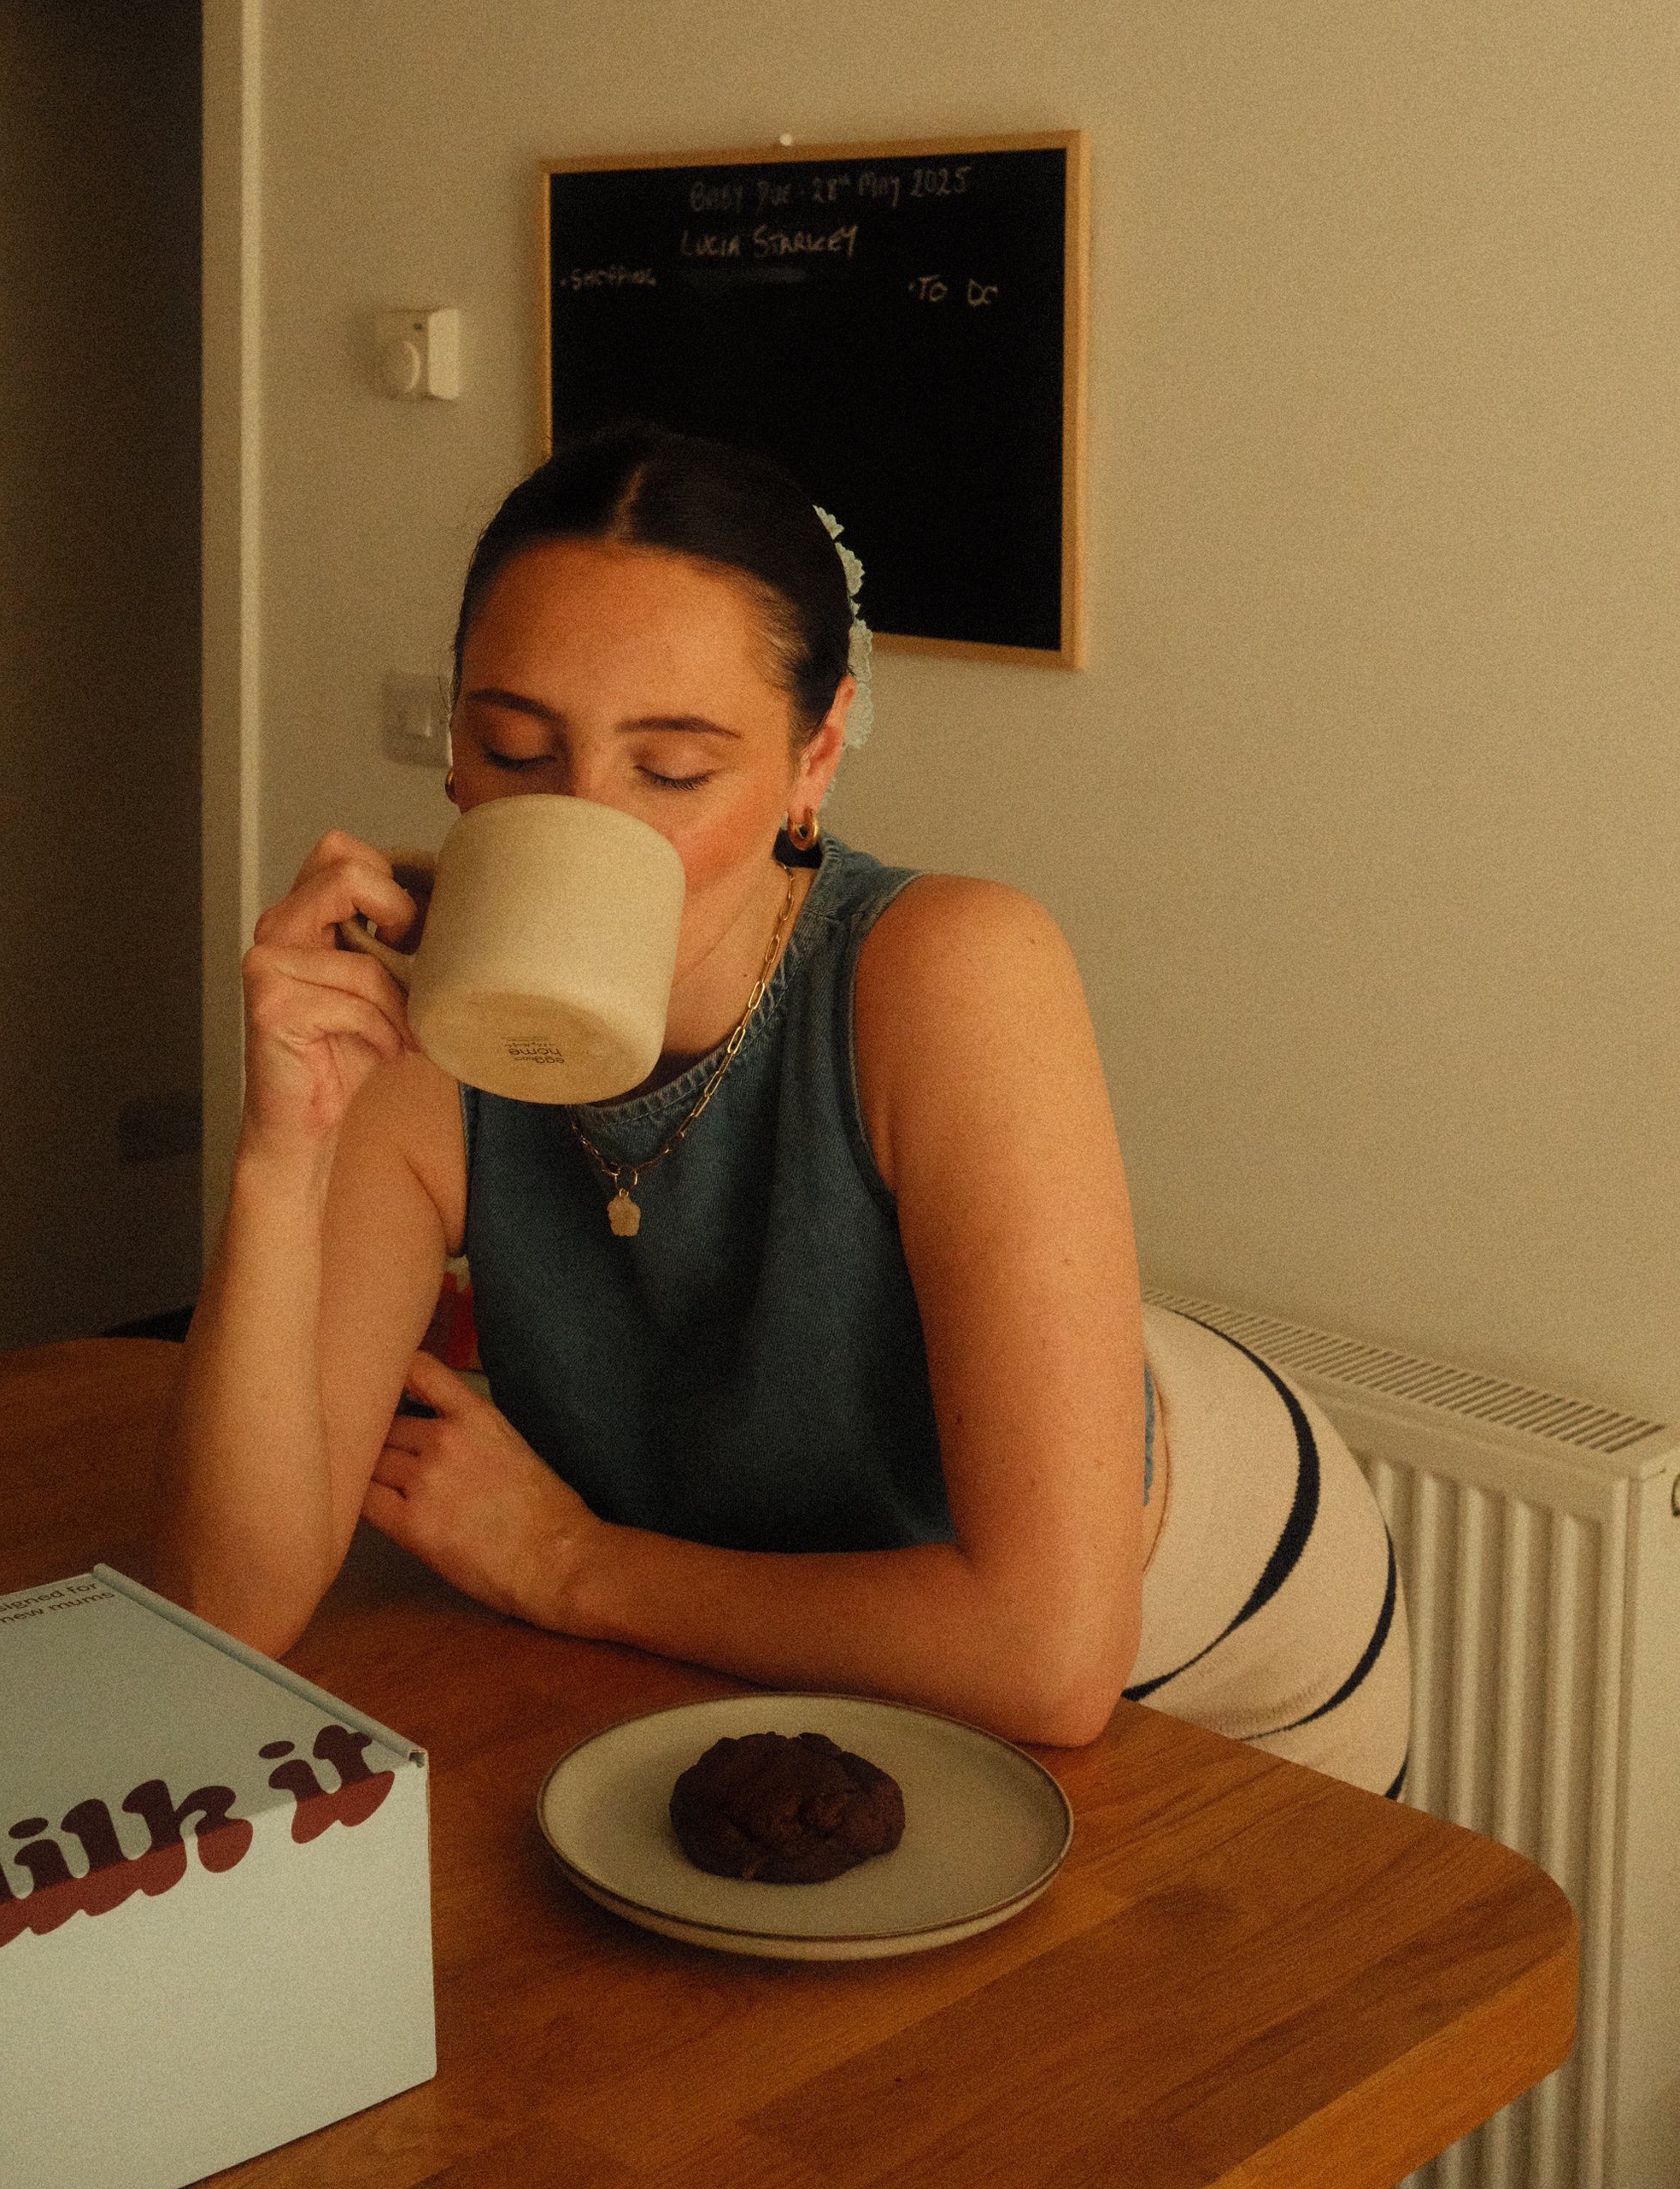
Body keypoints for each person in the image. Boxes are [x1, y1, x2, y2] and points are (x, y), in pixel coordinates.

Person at [154, 421, 1406, 1809]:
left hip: (1207, 1658)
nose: (591, 821)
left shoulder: (947, 971)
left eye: (673, 772)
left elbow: (1050, 1654)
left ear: (813, 763)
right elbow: (231, 1609)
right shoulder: (426, 1040)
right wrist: (283, 1153)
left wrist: (574, 1564)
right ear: (453, 743)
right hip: (813, 1662)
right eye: (516, 747)